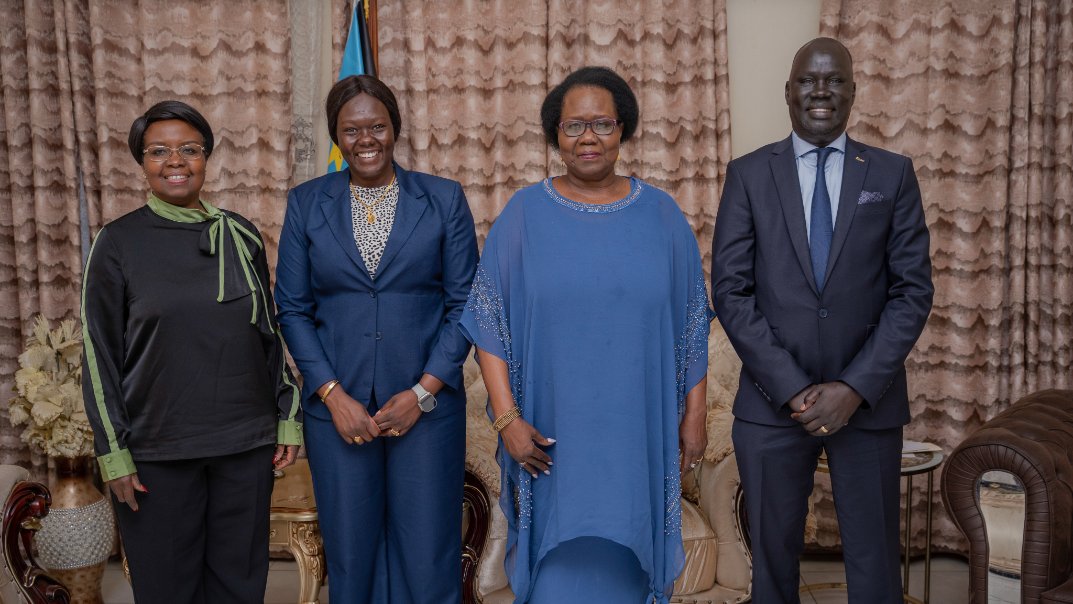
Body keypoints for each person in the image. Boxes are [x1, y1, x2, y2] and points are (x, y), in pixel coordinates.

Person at [460, 66, 710, 604]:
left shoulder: (664, 217)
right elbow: (488, 324)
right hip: (553, 441)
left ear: (623, 130)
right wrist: (507, 421)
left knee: (630, 558)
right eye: (574, 127)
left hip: (638, 437)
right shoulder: (523, 216)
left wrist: (694, 417)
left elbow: (692, 327)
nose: (589, 137)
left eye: (602, 123)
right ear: (555, 136)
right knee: (558, 571)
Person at [711, 37, 934, 603]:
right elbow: (731, 292)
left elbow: (912, 291)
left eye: (833, 80)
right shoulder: (748, 174)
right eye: (808, 80)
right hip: (770, 404)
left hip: (869, 404)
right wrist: (793, 390)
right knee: (774, 564)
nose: (820, 91)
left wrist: (854, 388)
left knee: (874, 564)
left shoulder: (891, 174)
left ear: (853, 92)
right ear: (789, 92)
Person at [80, 100, 302, 603]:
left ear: (206, 158)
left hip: (245, 446)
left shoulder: (240, 233)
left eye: (189, 150)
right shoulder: (116, 243)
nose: (175, 161)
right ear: (141, 162)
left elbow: (269, 334)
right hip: (158, 451)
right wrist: (113, 454)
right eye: (159, 151)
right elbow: (98, 357)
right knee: (168, 591)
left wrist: (287, 416)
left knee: (240, 587)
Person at [275, 75, 478, 604]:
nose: (366, 139)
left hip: (426, 411)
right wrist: (331, 394)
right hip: (338, 414)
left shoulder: (442, 199)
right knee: (351, 555)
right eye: (352, 130)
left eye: (377, 127)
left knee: (429, 554)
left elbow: (466, 307)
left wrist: (424, 392)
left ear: (395, 130)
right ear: (336, 138)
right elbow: (292, 309)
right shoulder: (305, 204)